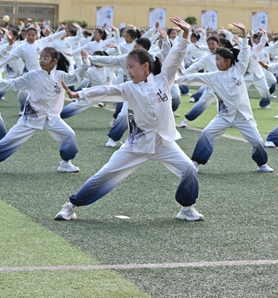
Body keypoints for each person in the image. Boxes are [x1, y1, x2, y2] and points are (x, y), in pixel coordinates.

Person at [55, 17, 203, 222]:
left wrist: (185, 35)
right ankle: (71, 206)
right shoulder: (129, 88)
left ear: (145, 66)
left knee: (189, 170)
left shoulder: (163, 80)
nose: (128, 71)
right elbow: (107, 90)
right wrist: (79, 94)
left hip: (164, 143)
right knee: (105, 174)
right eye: (127, 67)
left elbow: (176, 56)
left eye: (131, 67)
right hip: (136, 145)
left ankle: (186, 208)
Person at [176, 23, 273, 173]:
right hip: (224, 116)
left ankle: (262, 165)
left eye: (218, 60)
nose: (216, 63)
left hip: (243, 117)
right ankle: (196, 163)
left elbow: (245, 52)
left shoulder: (238, 69)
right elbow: (193, 77)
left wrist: (244, 33)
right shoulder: (213, 77)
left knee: (258, 142)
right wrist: (173, 80)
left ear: (228, 61)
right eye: (215, 60)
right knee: (206, 134)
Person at [0, 46, 86, 172]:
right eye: (41, 58)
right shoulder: (33, 75)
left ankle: (65, 163)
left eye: (45, 58)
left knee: (69, 135)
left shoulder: (60, 76)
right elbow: (13, 84)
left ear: (54, 61)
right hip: (31, 118)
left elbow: (76, 77)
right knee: (7, 142)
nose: (41, 61)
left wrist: (85, 63)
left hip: (52, 118)